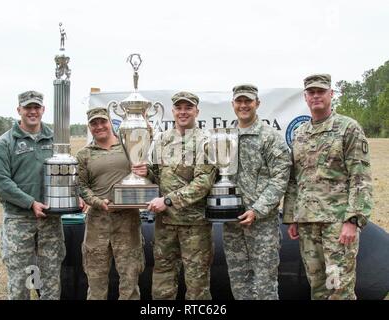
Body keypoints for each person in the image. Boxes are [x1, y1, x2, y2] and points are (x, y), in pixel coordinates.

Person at [283, 74, 373, 300]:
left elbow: (360, 177)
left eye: (320, 92)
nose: (316, 96)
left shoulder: (347, 128)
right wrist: (292, 216)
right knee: (318, 286)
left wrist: (352, 220)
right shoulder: (300, 133)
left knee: (338, 286)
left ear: (331, 94)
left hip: (337, 224)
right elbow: (295, 179)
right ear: (305, 97)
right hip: (307, 224)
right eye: (311, 92)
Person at [0, 90, 84, 299]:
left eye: (36, 107)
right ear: (19, 110)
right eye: (27, 108)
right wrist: (30, 202)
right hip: (18, 221)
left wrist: (74, 195)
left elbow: (66, 173)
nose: (32, 112)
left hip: (50, 221)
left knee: (51, 279)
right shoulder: (5, 143)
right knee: (20, 280)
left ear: (43, 110)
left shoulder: (56, 140)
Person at [132, 91, 217, 300]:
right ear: (173, 111)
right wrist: (147, 173)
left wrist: (168, 201)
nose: (183, 112)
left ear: (197, 111)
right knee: (162, 280)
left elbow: (202, 183)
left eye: (188, 108)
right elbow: (158, 175)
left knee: (197, 285)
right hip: (166, 225)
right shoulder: (162, 140)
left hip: (194, 226)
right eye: (179, 108)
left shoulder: (206, 141)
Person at [222, 84, 291, 300]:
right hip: (232, 223)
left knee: (265, 284)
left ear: (257, 104)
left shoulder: (270, 138)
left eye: (248, 101)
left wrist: (257, 210)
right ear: (233, 104)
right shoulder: (225, 138)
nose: (243, 105)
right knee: (239, 282)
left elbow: (280, 178)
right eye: (239, 101)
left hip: (262, 224)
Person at [76, 107, 145, 300]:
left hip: (128, 223)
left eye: (102, 122)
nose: (99, 127)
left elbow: (148, 175)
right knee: (96, 285)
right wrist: (97, 202)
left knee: (130, 284)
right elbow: (80, 186)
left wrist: (144, 172)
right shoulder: (84, 154)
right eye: (94, 123)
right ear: (89, 127)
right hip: (97, 224)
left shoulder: (128, 147)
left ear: (110, 122)